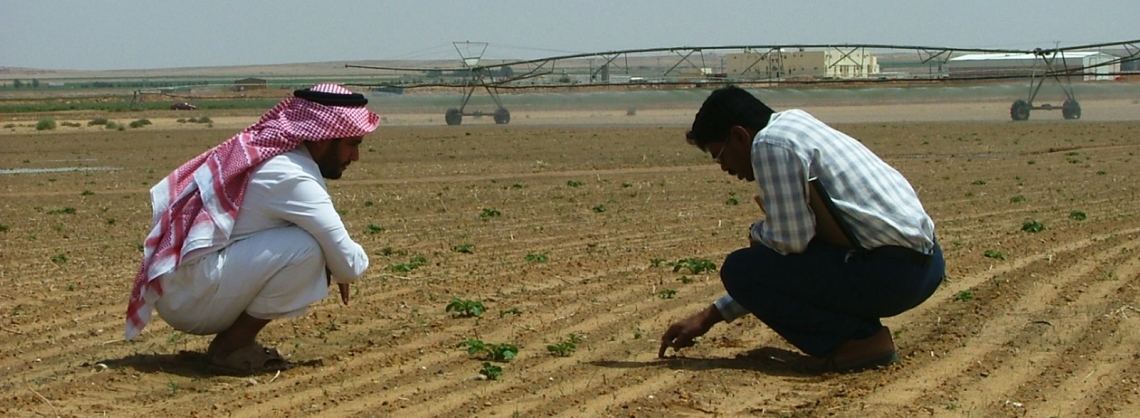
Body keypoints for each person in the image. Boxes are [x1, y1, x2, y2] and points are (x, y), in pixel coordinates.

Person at [659, 86, 945, 373]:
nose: (724, 168)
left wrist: (758, 235)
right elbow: (794, 261)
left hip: (894, 276)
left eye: (720, 156)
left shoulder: (769, 145)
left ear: (739, 136)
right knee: (768, 259)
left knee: (740, 267)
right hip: (927, 265)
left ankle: (858, 342)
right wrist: (710, 316)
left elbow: (789, 243)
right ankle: (863, 337)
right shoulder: (795, 125)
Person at [125, 83, 380, 375]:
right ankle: (231, 347)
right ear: (323, 138)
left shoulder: (278, 161)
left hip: (181, 287)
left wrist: (334, 259)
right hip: (190, 298)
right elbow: (351, 265)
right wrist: (333, 261)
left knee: (312, 242)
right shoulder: (291, 176)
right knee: (306, 247)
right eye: (353, 144)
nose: (355, 158)